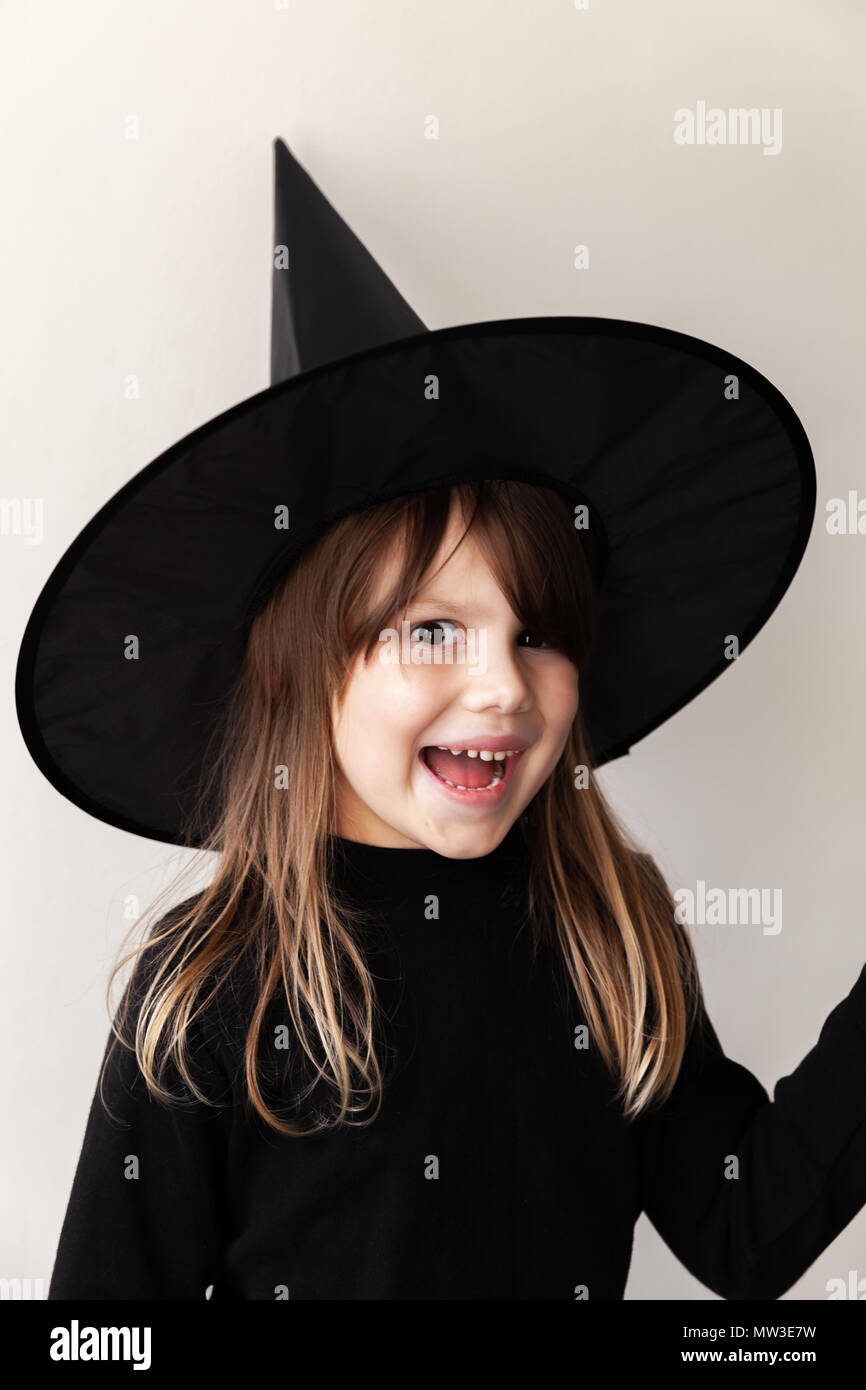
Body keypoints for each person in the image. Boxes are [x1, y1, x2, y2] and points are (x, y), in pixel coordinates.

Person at [44, 478, 866, 1300]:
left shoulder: (604, 935)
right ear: (297, 663)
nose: (505, 686)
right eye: (435, 631)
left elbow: (746, 1226)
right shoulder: (216, 975)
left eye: (537, 633)